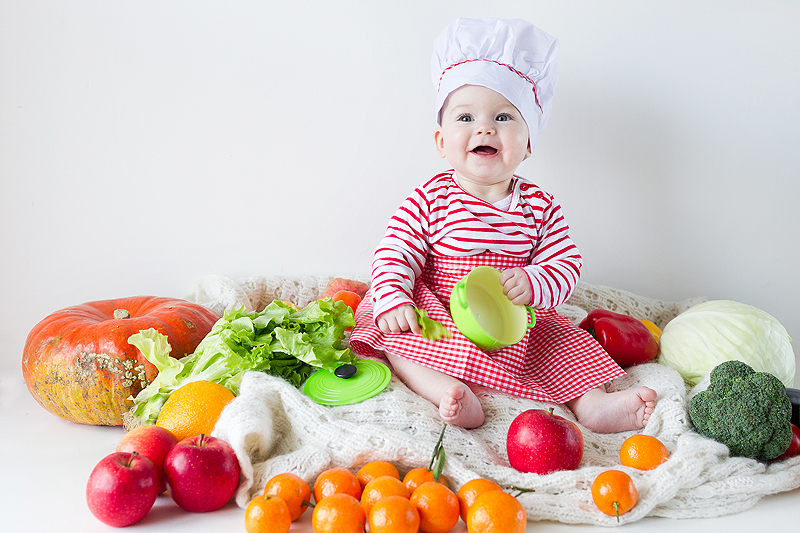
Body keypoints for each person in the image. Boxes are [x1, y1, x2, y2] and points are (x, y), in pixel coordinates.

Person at [349, 18, 656, 431]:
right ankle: (447, 391)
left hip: (517, 326)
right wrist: (395, 298)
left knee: (568, 342)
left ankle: (594, 406)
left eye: (504, 117)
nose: (484, 127)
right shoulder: (430, 197)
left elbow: (565, 264)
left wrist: (534, 281)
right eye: (465, 118)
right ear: (441, 142)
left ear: (528, 144)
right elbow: (395, 251)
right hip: (442, 317)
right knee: (393, 334)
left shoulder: (539, 206)